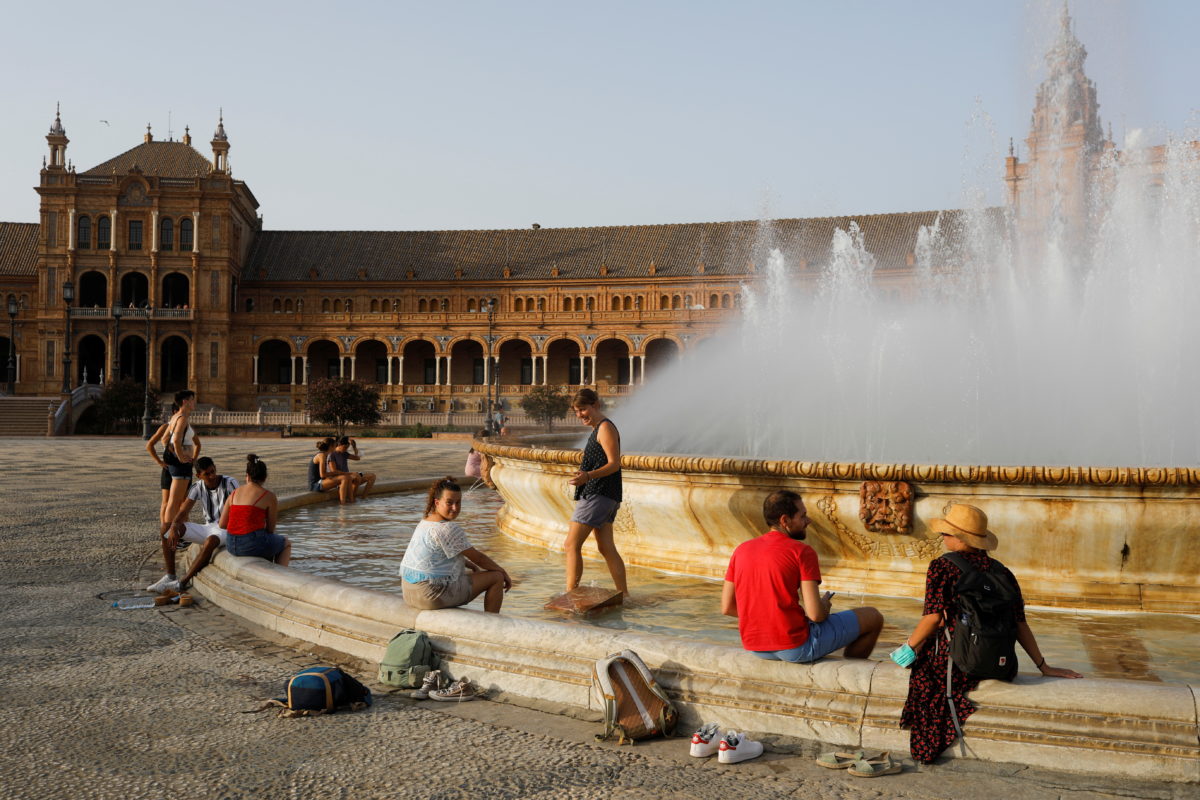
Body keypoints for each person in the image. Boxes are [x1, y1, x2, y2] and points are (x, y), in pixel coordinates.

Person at [897, 503, 1082, 764]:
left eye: (946, 533)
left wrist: (907, 648)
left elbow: (932, 617)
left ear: (958, 537)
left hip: (957, 663)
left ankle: (926, 745)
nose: (942, 537)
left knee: (923, 674)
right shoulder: (1002, 572)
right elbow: (1019, 623)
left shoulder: (942, 567)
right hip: (997, 662)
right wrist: (1044, 665)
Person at [722, 489, 884, 663]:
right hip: (796, 647)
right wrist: (824, 606)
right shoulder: (801, 552)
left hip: (755, 647)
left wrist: (766, 618)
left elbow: (727, 607)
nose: (809, 521)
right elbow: (816, 615)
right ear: (785, 520)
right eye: (803, 516)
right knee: (873, 617)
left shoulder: (741, 550)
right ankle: (853, 673)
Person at [400, 477, 511, 613]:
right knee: (496, 577)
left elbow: (437, 555)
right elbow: (479, 558)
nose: (455, 508)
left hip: (408, 592)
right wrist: (503, 572)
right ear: (437, 502)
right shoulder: (447, 528)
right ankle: (492, 624)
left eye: (458, 502)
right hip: (430, 596)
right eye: (449, 503)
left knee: (475, 574)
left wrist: (468, 564)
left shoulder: (425, 522)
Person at [565, 388, 628, 595]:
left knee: (571, 544)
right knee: (606, 548)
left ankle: (570, 594)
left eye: (583, 409)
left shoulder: (605, 428)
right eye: (576, 411)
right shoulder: (598, 429)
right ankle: (623, 594)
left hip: (598, 494)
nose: (579, 415)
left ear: (596, 405)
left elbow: (614, 464)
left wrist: (588, 476)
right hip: (605, 495)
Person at [146, 456, 237, 593]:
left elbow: (241, 506)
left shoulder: (229, 483)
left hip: (226, 529)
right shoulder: (197, 486)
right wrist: (174, 527)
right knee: (166, 527)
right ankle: (170, 576)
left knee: (211, 540)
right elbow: (183, 510)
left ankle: (182, 582)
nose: (212, 476)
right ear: (198, 475)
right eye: (207, 474)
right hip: (208, 527)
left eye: (213, 471)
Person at [218, 454, 289, 564]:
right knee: (286, 543)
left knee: (266, 539)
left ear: (247, 476)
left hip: (231, 544)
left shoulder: (234, 493)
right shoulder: (269, 496)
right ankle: (281, 575)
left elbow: (222, 524)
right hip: (250, 545)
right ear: (264, 477)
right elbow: (271, 529)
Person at [156, 391, 201, 541]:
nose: (195, 403)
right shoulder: (182, 419)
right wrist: (181, 457)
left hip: (178, 465)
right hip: (181, 466)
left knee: (177, 501)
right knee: (175, 502)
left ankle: (177, 535)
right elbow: (174, 441)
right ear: (185, 402)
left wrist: (175, 455)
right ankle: (169, 536)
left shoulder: (175, 418)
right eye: (193, 400)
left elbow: (164, 440)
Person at [310, 438, 355, 504]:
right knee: (344, 478)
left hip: (322, 481)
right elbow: (322, 475)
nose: (336, 447)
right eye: (335, 445)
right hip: (316, 485)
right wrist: (336, 473)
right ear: (331, 446)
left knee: (347, 477)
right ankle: (343, 504)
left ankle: (352, 501)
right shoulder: (321, 455)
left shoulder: (325, 455)